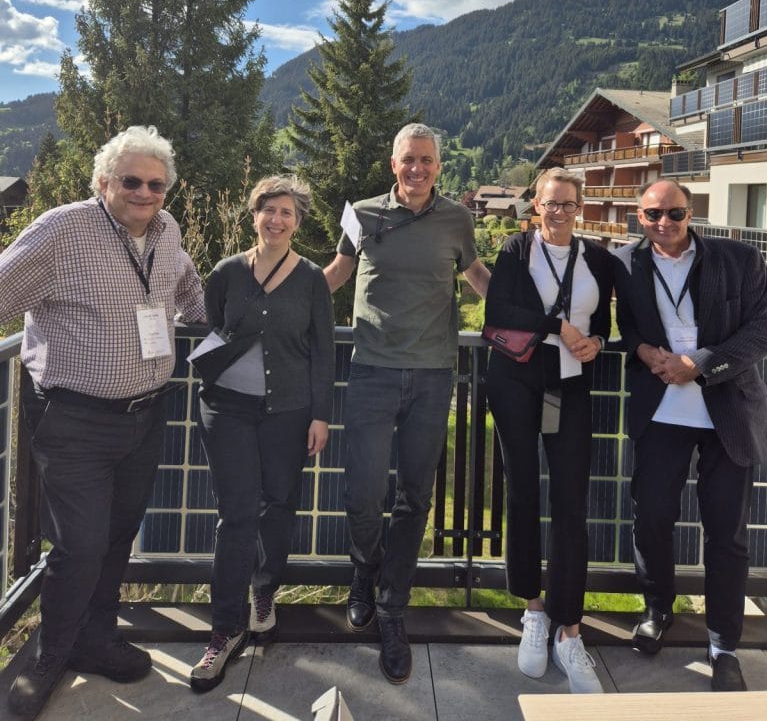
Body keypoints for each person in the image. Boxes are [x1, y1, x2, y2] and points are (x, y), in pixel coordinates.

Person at [0, 125, 205, 720]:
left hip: (145, 415)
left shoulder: (167, 230)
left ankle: (95, 638)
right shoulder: (63, 229)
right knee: (81, 544)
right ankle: (49, 655)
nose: (145, 193)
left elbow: (187, 289)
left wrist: (240, 313)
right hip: (74, 419)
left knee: (117, 535)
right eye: (131, 180)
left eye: (157, 184)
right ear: (103, 182)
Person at [324, 123, 490, 684]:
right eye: (408, 159)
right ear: (392, 163)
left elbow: (475, 275)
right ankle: (363, 570)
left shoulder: (457, 219)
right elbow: (339, 271)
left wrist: (533, 318)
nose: (417, 168)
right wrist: (274, 300)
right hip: (371, 370)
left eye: (426, 159)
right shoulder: (362, 213)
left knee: (415, 496)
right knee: (362, 493)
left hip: (433, 375)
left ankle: (392, 604)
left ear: (438, 165)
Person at [614, 179, 767, 692]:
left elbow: (761, 328)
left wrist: (699, 364)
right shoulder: (626, 262)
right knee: (651, 519)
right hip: (661, 412)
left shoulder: (739, 259)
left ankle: (724, 645)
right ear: (640, 217)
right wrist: (642, 351)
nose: (665, 223)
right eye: (654, 215)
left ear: (691, 212)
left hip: (728, 412)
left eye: (675, 213)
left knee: (726, 536)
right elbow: (628, 325)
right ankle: (658, 609)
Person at [189, 176, 334, 692]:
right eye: (268, 210)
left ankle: (264, 592)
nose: (276, 219)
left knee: (279, 504)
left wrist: (320, 415)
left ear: (298, 222)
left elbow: (323, 350)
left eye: (286, 212)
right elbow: (214, 324)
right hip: (226, 408)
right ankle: (224, 630)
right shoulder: (227, 271)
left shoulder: (312, 279)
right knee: (236, 515)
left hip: (289, 413)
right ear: (254, 215)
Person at [483, 167, 613, 694]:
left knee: (570, 502)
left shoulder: (598, 259)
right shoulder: (517, 250)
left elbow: (604, 321)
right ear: (535, 205)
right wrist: (557, 326)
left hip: (571, 384)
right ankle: (533, 611)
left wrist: (596, 342)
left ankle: (569, 628)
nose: (559, 212)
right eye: (550, 203)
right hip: (516, 381)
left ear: (580, 208)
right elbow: (499, 309)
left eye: (568, 204)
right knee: (522, 492)